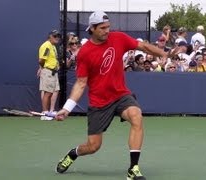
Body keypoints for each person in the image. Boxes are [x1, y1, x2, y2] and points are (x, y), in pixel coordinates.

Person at [54, 11, 180, 180]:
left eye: (108, 27)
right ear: (92, 28)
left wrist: (163, 54)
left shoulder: (118, 38)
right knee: (93, 146)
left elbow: (142, 46)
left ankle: (133, 168)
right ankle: (73, 153)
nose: (107, 31)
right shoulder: (85, 53)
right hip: (99, 103)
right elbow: (81, 83)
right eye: (102, 28)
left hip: (121, 95)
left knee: (136, 115)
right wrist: (67, 108)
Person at [38, 30, 61, 120]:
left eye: (58, 36)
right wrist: (44, 68)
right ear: (50, 36)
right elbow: (41, 60)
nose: (57, 38)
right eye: (55, 36)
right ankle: (44, 113)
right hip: (48, 71)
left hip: (53, 72)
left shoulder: (53, 46)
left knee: (51, 92)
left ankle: (48, 112)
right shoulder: (47, 46)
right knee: (47, 93)